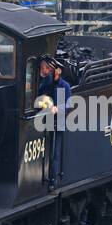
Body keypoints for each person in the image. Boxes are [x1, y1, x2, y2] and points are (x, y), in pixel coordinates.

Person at [36, 56, 71, 186]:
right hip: (45, 121)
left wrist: (57, 108)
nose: (50, 72)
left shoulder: (64, 86)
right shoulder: (45, 83)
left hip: (58, 122)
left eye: (52, 70)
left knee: (55, 153)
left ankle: (52, 179)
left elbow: (68, 106)